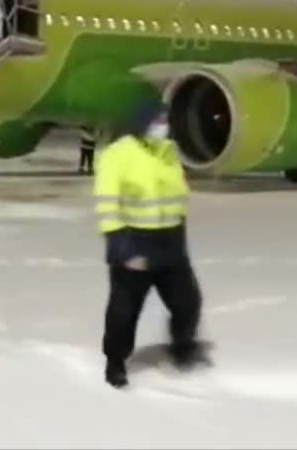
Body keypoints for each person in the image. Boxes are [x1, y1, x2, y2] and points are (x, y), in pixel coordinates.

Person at [93, 98, 206, 389]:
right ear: (141, 123)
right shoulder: (118, 154)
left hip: (170, 243)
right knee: (123, 311)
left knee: (188, 303)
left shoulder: (169, 152)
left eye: (165, 121)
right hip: (134, 243)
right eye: (158, 121)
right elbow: (107, 204)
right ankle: (115, 360)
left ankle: (182, 345)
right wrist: (122, 248)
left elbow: (176, 197)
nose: (163, 127)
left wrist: (178, 236)